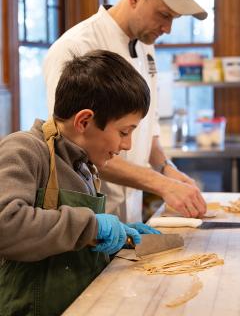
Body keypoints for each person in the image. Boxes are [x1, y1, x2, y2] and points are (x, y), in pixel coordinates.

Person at [43, 0, 207, 223]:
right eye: (164, 14)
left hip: (129, 210)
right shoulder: (75, 48)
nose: (167, 28)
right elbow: (71, 144)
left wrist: (165, 168)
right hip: (86, 216)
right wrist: (160, 184)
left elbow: (148, 122)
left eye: (174, 19)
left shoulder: (146, 46)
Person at [0, 50, 161, 315]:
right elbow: (6, 225)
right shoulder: (24, 150)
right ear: (84, 120)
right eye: (124, 132)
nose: (127, 144)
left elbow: (67, 242)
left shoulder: (84, 167)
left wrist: (114, 238)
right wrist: (91, 226)